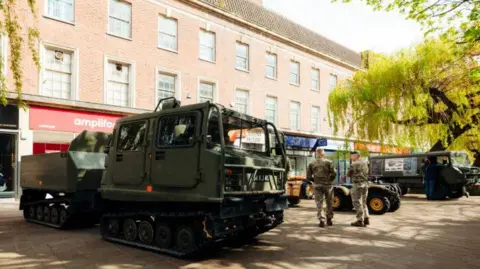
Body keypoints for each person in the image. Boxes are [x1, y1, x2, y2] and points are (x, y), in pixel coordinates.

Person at [307, 148, 337, 228]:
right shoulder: (329, 162)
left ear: (316, 154)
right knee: (329, 202)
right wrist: (329, 180)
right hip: (327, 185)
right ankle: (329, 219)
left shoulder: (312, 163)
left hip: (317, 185)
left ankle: (321, 220)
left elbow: (309, 176)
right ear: (323, 154)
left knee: (319, 203)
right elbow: (334, 173)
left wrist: (315, 181)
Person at [347, 151, 370, 227]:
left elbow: (348, 174)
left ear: (356, 156)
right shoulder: (365, 163)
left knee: (356, 202)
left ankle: (360, 220)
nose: (350, 157)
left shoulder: (353, 164)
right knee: (364, 202)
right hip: (365, 184)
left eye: (351, 156)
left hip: (357, 185)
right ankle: (366, 217)